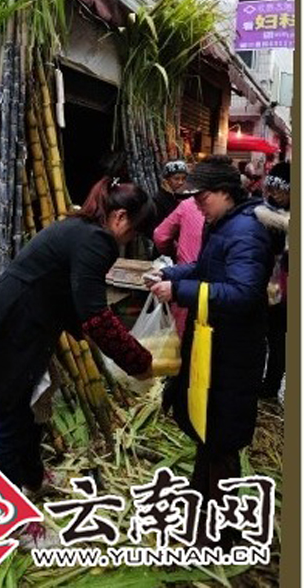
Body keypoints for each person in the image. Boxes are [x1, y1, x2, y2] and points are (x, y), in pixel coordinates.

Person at [0, 178, 154, 492]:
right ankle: (1, 521)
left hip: (19, 322)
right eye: (133, 231)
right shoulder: (97, 241)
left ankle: (33, 481)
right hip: (16, 329)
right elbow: (96, 316)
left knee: (27, 414)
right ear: (120, 217)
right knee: (8, 424)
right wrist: (138, 360)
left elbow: (73, 298)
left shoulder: (80, 228)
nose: (128, 240)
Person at [148, 155, 275, 549]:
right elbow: (205, 270)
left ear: (224, 192)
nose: (196, 203)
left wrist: (181, 292)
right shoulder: (220, 223)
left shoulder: (247, 232)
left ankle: (222, 531)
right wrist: (171, 274)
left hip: (233, 351)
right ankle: (203, 510)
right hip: (213, 345)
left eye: (201, 196)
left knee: (222, 435)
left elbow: (243, 293)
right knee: (209, 431)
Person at [255, 162, 290, 400]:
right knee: (260, 335)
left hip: (283, 288)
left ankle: (271, 385)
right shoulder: (262, 212)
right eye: (272, 189)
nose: (275, 194)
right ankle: (259, 381)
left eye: (280, 190)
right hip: (263, 283)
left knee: (277, 338)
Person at [152, 195, 205, 335]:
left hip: (185, 284)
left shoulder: (188, 205)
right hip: (209, 289)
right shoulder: (234, 214)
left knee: (181, 340)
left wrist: (174, 254)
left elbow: (160, 236)